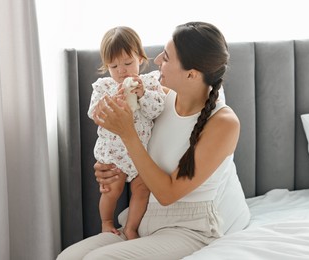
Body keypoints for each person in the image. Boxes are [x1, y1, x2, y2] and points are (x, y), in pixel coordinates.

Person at [57, 21, 249, 260]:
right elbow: (130, 151)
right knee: (68, 257)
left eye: (166, 57)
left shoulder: (224, 123)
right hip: (145, 216)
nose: (157, 60)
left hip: (189, 228)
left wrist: (128, 135)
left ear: (192, 74)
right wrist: (110, 167)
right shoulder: (157, 100)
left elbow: (168, 194)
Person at [87, 26, 165, 240]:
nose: (122, 71)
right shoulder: (104, 86)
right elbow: (95, 114)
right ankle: (107, 222)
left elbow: (156, 110)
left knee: (142, 189)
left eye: (128, 63)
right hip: (115, 154)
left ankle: (131, 227)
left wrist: (142, 95)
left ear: (140, 58)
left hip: (141, 154)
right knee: (111, 188)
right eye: (114, 66)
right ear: (106, 67)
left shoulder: (149, 83)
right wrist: (115, 97)